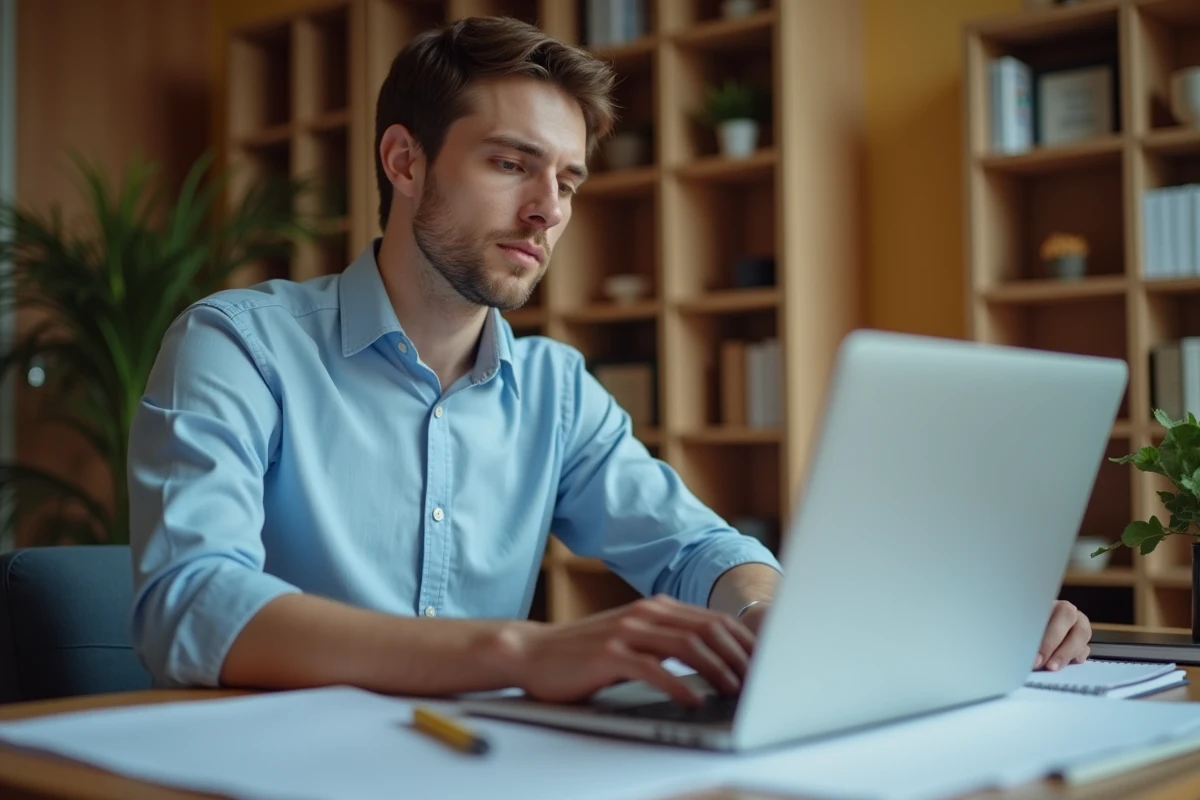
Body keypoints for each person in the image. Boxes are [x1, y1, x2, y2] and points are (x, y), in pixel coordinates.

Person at [128, 16, 1091, 708]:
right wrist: (522, 650)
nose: (549, 210)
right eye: (511, 164)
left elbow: (697, 550)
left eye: (569, 178)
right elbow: (193, 605)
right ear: (404, 161)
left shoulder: (553, 390)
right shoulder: (237, 345)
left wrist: (766, 618)